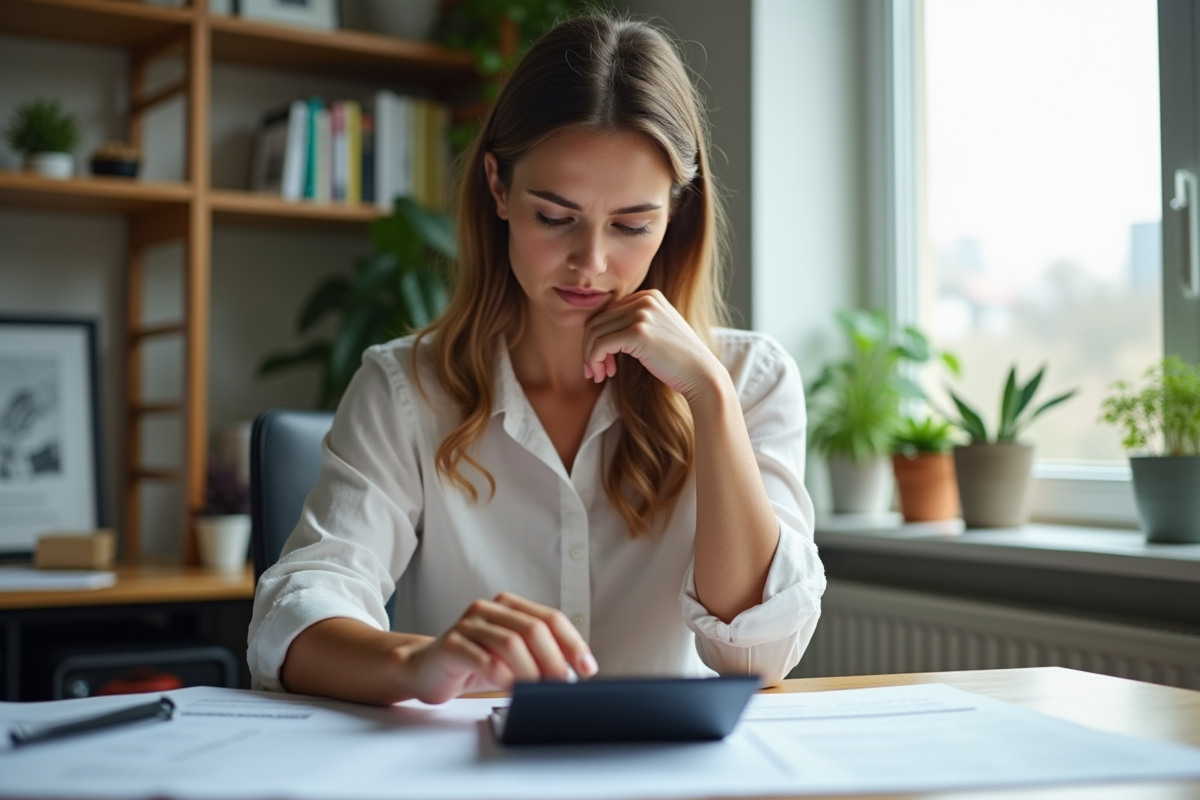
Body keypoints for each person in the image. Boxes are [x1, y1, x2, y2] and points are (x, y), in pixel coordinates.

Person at [247, 13, 826, 706]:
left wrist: (709, 397)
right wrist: (419, 663)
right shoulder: (405, 388)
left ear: (675, 213)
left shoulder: (748, 382)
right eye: (555, 217)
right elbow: (295, 614)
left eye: (632, 225)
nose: (592, 262)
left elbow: (756, 655)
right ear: (497, 186)